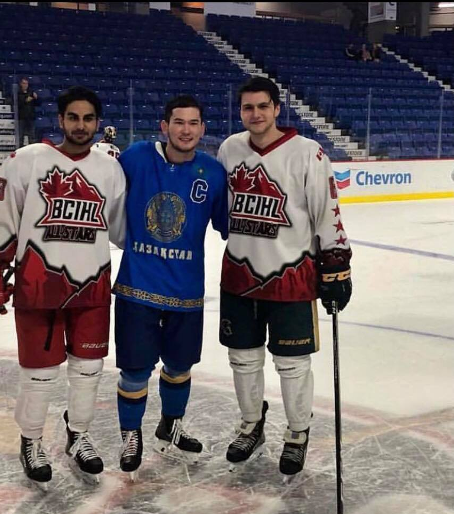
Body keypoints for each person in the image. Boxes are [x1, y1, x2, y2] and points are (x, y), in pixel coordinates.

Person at [0, 86, 126, 486]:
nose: (80, 125)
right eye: (73, 117)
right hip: (39, 285)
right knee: (39, 373)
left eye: (88, 118)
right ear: (60, 120)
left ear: (98, 123)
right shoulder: (27, 161)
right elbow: (3, 217)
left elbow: (122, 228)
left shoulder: (110, 169)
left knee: (89, 369)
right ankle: (32, 439)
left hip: (92, 285)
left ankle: (79, 435)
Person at [216, 77, 352, 480]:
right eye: (248, 107)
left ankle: (297, 432)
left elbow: (327, 212)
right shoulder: (229, 149)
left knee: (292, 364)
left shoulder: (307, 152)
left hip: (291, 275)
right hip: (239, 274)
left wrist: (336, 265)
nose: (255, 114)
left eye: (263, 106)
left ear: (277, 108)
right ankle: (251, 425)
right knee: (242, 359)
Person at [112, 95, 229, 477]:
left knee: (180, 366)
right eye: (179, 122)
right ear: (164, 126)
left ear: (202, 129)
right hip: (137, 287)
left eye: (193, 123)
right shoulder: (136, 157)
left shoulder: (212, 173)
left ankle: (170, 424)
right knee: (134, 370)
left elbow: (230, 226)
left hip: (186, 292)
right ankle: (131, 434)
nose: (186, 130)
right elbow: (100, 192)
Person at [17, 77, 39, 146]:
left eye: (26, 84)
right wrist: (26, 100)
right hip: (22, 117)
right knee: (21, 135)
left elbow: (38, 104)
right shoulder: (18, 93)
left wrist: (36, 98)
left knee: (32, 135)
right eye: (24, 83)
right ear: (21, 84)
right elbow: (18, 104)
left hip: (31, 117)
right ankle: (20, 149)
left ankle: (31, 150)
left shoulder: (31, 92)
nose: (25, 85)